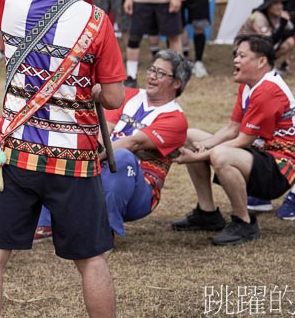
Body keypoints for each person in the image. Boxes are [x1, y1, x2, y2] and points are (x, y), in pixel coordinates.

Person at [0, 0, 126, 318]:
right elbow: (113, 98)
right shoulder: (96, 20)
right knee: (91, 260)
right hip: (74, 159)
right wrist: (84, 89)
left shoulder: (8, 0)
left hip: (16, 155)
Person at [36, 51, 189, 241]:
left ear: (176, 83)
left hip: (140, 190)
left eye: (160, 73)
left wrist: (87, 159)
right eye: (151, 70)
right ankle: (46, 222)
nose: (151, 76)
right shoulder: (130, 95)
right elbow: (104, 131)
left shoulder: (176, 119)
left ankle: (104, 231)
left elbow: (133, 143)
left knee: (123, 156)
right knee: (59, 144)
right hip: (101, 167)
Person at [171, 35, 295, 246]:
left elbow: (242, 140)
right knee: (191, 136)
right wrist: (203, 145)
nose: (235, 60)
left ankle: (245, 222)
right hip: (260, 156)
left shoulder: (268, 90)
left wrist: (200, 155)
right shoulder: (249, 85)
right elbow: (232, 128)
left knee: (220, 155)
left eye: (242, 56)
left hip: (281, 168)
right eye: (236, 55)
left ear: (261, 61)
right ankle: (207, 213)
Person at [236, 0, 295, 71]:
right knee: (266, 45)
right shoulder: (258, 17)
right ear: (268, 6)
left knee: (290, 42)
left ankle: (267, 65)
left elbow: (291, 31)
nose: (280, 6)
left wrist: (283, 23)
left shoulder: (278, 15)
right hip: (244, 46)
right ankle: (260, 66)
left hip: (258, 44)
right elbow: (269, 40)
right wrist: (283, 24)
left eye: (280, 3)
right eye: (275, 3)